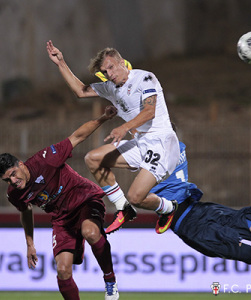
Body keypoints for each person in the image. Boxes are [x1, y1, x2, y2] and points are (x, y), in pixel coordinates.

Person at [46, 41, 180, 235]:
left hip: (162, 144)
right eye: (105, 71)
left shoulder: (145, 78)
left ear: (122, 63)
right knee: (93, 159)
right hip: (140, 144)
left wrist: (123, 127)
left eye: (111, 67)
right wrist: (61, 63)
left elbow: (149, 111)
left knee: (137, 197)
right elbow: (80, 91)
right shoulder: (110, 87)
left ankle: (168, 208)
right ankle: (122, 207)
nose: (109, 73)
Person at [0, 106, 119, 300]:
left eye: (13, 175)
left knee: (90, 232)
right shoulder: (14, 194)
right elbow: (25, 211)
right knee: (62, 271)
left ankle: (110, 280)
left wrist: (103, 117)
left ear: (21, 165)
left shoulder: (46, 159)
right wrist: (30, 244)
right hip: (62, 219)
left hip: (85, 199)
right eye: (7, 180)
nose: (13, 182)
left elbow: (77, 136)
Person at [150, 137, 251, 264]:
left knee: (248, 253)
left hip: (189, 225)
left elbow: (137, 197)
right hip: (203, 209)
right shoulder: (179, 147)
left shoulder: (153, 159)